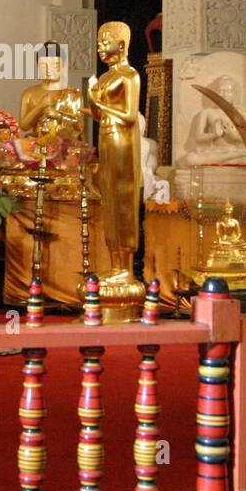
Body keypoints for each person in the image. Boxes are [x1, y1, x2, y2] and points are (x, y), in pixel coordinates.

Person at [86, 21, 143, 315]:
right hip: (106, 139)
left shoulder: (130, 76)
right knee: (108, 203)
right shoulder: (108, 76)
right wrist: (89, 105)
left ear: (121, 44)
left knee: (122, 203)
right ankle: (114, 266)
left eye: (104, 41)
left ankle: (126, 269)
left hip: (123, 143)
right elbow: (99, 114)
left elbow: (130, 115)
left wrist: (97, 100)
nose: (100, 47)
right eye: (98, 42)